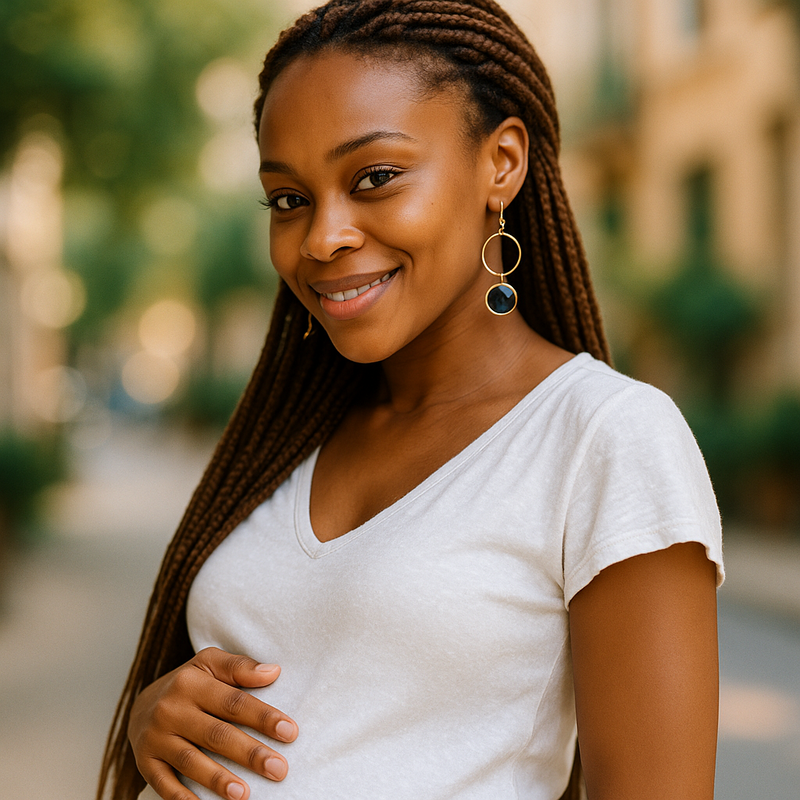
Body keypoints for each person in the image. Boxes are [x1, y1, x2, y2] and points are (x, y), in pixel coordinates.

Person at [98, 1, 724, 799]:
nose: (323, 237)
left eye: (375, 178)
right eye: (289, 199)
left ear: (500, 163)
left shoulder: (604, 437)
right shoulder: (295, 434)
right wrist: (158, 714)